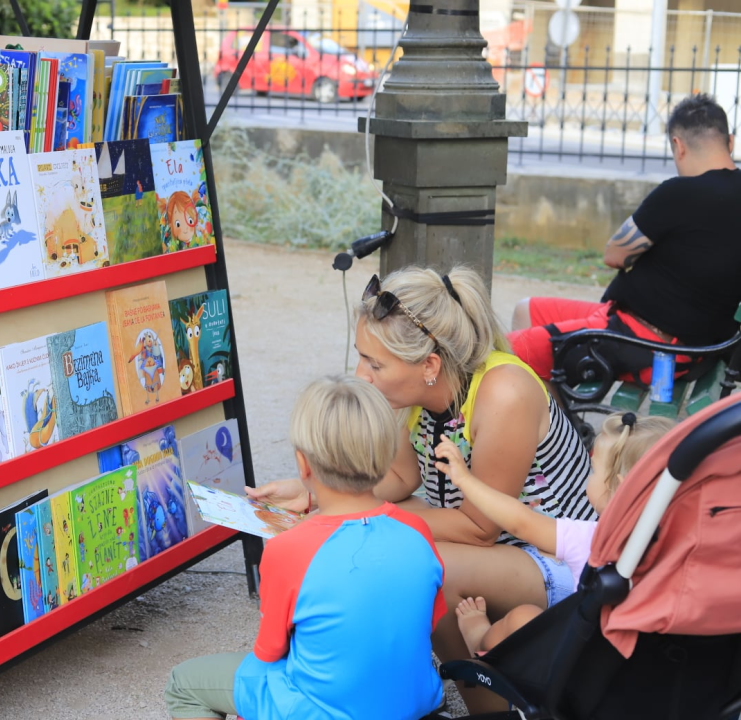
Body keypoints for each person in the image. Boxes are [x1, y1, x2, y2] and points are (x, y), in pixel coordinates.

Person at [247, 265, 595, 712]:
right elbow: (398, 480)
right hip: (504, 552)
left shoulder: (504, 393)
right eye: (361, 356)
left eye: (375, 364)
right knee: (402, 538)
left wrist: (346, 521)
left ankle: (488, 709)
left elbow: (479, 528)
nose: (361, 374)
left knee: (427, 560)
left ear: (429, 365)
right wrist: (316, 493)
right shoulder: (412, 394)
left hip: (564, 561)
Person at [164, 375, 446, 720]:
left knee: (183, 684)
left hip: (324, 709)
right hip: (412, 701)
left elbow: (270, 651)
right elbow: (427, 623)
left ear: (303, 464)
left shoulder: (288, 548)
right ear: (386, 455)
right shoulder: (417, 529)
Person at [508, 93, 741, 383]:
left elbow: (614, 255)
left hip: (644, 343)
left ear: (678, 145)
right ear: (730, 142)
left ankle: (552, 412)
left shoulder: (679, 193)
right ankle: (556, 410)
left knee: (505, 352)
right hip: (663, 337)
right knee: (525, 310)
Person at [433, 412, 674, 655]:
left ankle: (479, 639)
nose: (589, 478)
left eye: (594, 471)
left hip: (579, 656)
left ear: (621, 489)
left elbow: (520, 521)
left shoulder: (591, 539)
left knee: (522, 618)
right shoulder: (678, 547)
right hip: (642, 661)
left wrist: (465, 480)